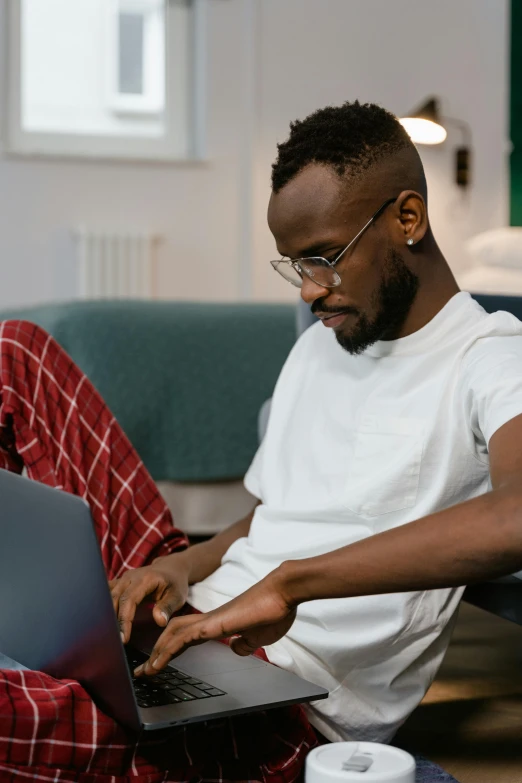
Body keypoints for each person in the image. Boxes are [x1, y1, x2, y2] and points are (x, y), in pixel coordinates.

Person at [2, 100, 522, 781]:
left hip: (282, 706)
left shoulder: (490, 357)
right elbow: (272, 516)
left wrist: (292, 584)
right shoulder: (320, 348)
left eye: (323, 259)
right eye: (293, 266)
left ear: (408, 218)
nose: (309, 291)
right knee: (17, 352)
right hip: (189, 620)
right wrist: (185, 566)